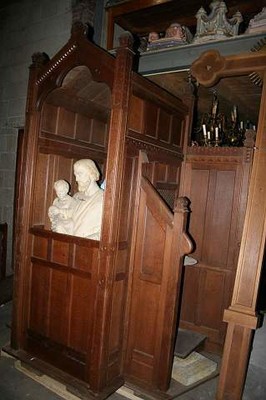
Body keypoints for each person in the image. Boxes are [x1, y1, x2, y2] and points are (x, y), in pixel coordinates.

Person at [72, 159, 104, 240]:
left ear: (92, 174)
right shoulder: (76, 197)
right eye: (75, 175)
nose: (76, 179)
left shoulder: (104, 198)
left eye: (80, 174)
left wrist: (87, 240)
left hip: (88, 246)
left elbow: (107, 230)